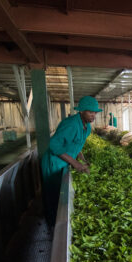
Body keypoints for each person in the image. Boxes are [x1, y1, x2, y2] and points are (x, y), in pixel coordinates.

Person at [41, 95, 102, 225]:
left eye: (95, 112)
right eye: (90, 112)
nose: (93, 115)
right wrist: (75, 164)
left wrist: (82, 159)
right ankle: (52, 225)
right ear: (81, 111)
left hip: (64, 160)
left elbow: (76, 144)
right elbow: (54, 145)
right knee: (54, 194)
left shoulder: (87, 127)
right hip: (54, 162)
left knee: (60, 194)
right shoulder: (72, 124)